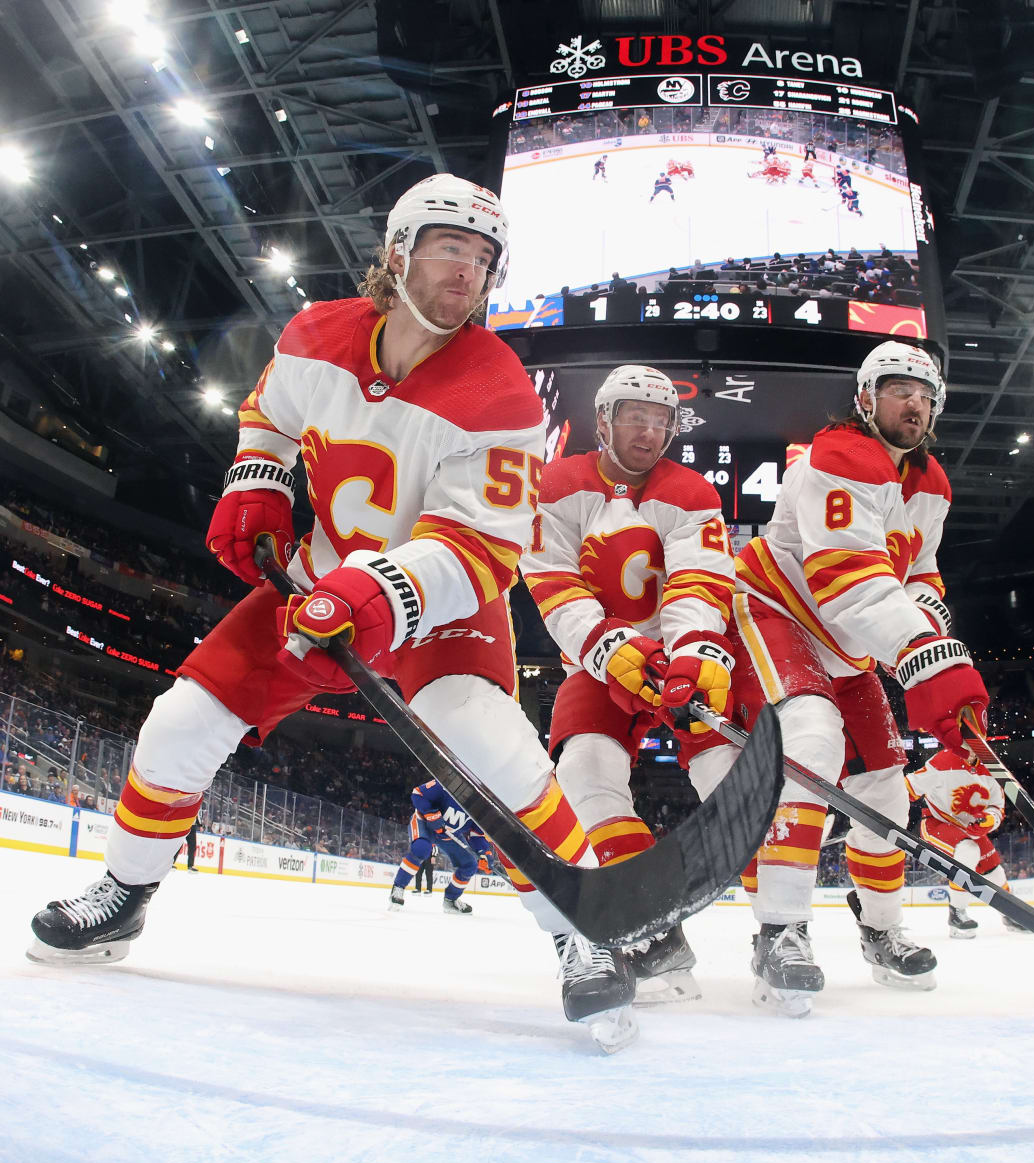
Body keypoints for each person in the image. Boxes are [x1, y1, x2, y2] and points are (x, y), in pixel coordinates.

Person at [25, 174, 639, 1052]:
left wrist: (377, 589)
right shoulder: (315, 335)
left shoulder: (503, 393)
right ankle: (124, 895)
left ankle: (584, 930)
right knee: (177, 723)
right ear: (397, 253)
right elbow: (268, 415)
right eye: (449, 248)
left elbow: (481, 548)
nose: (467, 271)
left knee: (492, 746)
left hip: (443, 609)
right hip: (317, 578)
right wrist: (259, 480)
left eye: (482, 258)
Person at [731, 340, 986, 1015]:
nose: (915, 403)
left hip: (849, 646)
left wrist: (931, 635)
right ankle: (780, 929)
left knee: (885, 790)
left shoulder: (931, 483)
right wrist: (925, 658)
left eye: (926, 394)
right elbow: (846, 579)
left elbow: (920, 573)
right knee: (812, 747)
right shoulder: (838, 455)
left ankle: (880, 926)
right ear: (865, 400)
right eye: (899, 389)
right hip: (780, 612)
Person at [521, 363, 738, 1006]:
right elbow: (552, 582)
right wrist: (607, 645)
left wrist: (695, 651)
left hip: (675, 667)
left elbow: (699, 582)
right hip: (597, 665)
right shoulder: (557, 484)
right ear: (604, 421)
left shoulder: (694, 492)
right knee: (584, 773)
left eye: (660, 419)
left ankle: (782, 926)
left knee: (727, 767)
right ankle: (653, 929)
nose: (649, 431)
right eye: (634, 416)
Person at [906, 750, 1021, 937]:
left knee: (994, 871)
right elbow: (908, 788)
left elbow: (997, 808)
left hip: (969, 829)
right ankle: (956, 912)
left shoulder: (991, 767)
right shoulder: (942, 762)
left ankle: (1010, 913)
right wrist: (887, 806)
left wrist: (989, 820)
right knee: (968, 850)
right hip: (937, 823)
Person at [389, 778, 487, 914]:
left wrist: (484, 854)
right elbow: (417, 793)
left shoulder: (482, 807)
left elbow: (477, 835)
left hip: (449, 834)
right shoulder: (449, 783)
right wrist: (431, 814)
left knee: (470, 864)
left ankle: (450, 901)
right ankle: (398, 888)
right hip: (424, 822)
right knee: (421, 848)